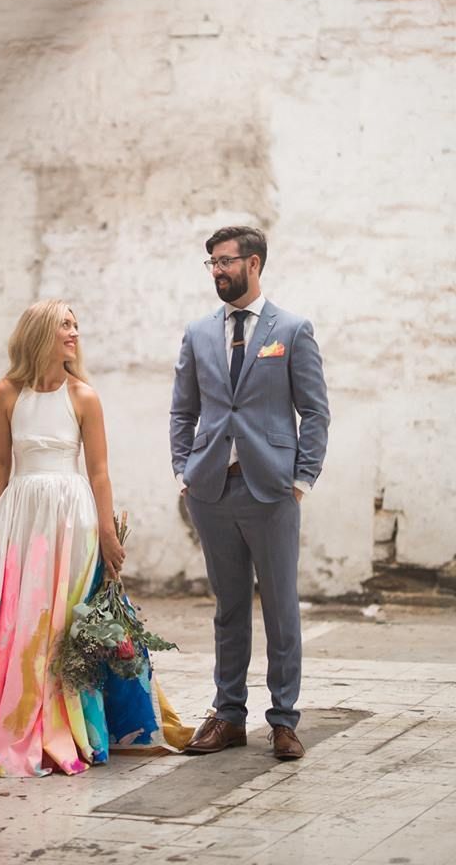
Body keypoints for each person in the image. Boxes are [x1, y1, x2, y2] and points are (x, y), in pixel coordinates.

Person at [0, 299, 190, 777]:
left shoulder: (83, 396)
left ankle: (71, 721)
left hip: (71, 518)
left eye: (75, 325)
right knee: (12, 619)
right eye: (64, 326)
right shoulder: (7, 393)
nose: (74, 333)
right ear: (39, 334)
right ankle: (3, 719)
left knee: (59, 619)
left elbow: (98, 472)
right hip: (20, 517)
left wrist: (106, 532)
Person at [170, 225, 330, 760]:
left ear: (253, 263)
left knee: (281, 608)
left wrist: (302, 480)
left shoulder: (293, 329)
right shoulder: (198, 333)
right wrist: (183, 473)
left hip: (272, 491)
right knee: (228, 607)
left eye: (225, 261)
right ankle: (229, 715)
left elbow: (315, 411)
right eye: (211, 262)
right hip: (212, 490)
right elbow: (183, 410)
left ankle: (284, 720)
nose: (217, 270)